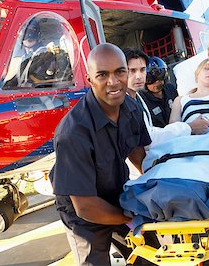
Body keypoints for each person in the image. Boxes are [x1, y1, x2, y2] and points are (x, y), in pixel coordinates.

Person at [49, 43, 155, 266]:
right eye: (102, 74)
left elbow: (136, 149)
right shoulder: (73, 132)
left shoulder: (130, 107)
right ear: (89, 79)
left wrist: (154, 186)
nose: (113, 82)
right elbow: (85, 206)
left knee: (152, 253)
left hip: (116, 192)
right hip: (82, 209)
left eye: (119, 72)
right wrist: (131, 218)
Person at [123, 48, 209, 144]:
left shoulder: (137, 97)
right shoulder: (124, 103)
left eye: (142, 70)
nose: (139, 76)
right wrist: (189, 127)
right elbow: (148, 138)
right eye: (132, 71)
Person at [169, 58, 209, 127]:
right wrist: (192, 127)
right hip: (191, 136)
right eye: (206, 68)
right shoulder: (180, 100)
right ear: (197, 74)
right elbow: (173, 128)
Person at [138, 57, 178, 128]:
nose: (157, 83)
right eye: (151, 80)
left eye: (160, 77)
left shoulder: (170, 90)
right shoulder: (142, 101)